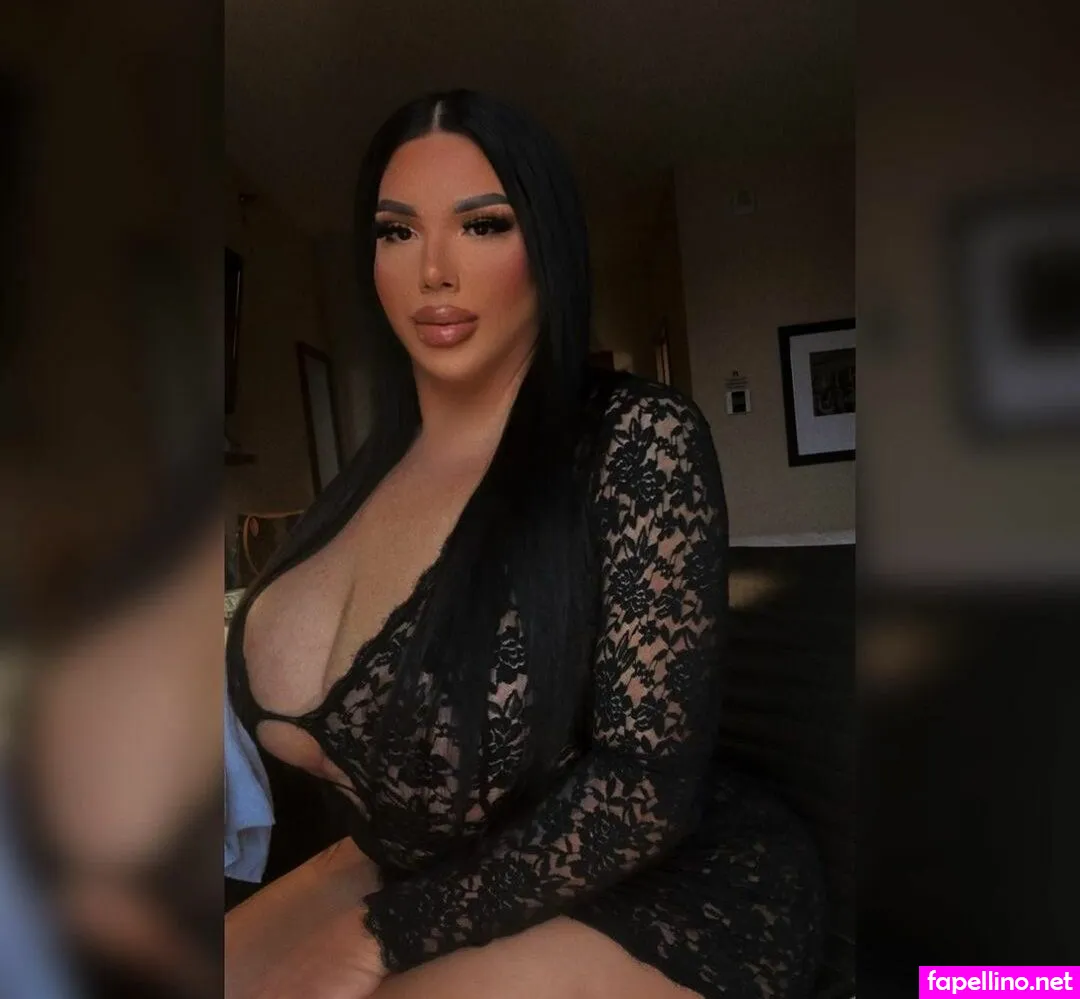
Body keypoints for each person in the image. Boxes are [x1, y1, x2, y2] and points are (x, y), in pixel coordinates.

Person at [225, 90, 823, 999]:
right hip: (424, 863)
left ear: (546, 244)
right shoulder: (365, 476)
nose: (434, 271)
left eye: (482, 225)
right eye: (397, 231)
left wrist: (380, 936)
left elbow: (644, 785)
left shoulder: (636, 439)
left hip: (670, 888)